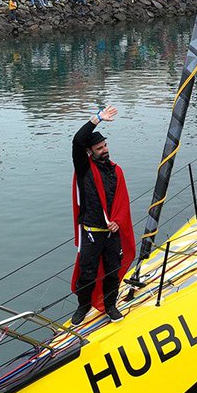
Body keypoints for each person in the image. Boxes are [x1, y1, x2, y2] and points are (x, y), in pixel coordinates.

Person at [70, 105, 134, 325]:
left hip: (111, 234)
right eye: (99, 148)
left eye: (105, 146)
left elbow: (122, 203)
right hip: (91, 233)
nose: (105, 150)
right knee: (87, 274)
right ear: (90, 152)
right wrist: (97, 119)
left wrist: (118, 221)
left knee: (112, 273)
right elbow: (77, 141)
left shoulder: (116, 171)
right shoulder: (84, 169)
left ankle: (110, 306)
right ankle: (83, 306)